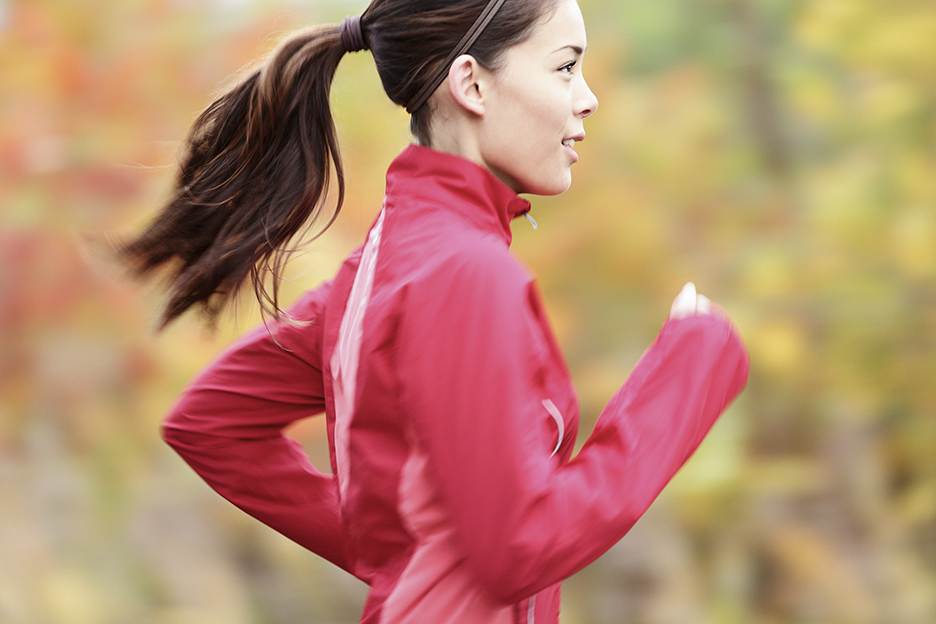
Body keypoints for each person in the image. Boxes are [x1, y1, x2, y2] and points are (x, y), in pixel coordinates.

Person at [120, 0, 749, 622]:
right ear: (472, 84)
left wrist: (397, 550)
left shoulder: (385, 264)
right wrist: (690, 369)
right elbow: (519, 549)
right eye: (564, 68)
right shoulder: (465, 274)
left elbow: (210, 423)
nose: (587, 98)